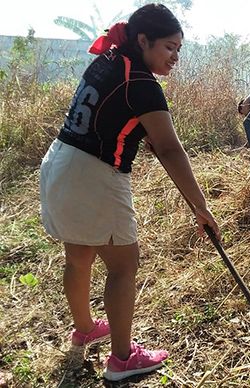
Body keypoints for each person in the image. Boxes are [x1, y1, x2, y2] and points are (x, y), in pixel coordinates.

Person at [39, 4, 221, 381]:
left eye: (179, 50)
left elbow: (113, 115)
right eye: (169, 47)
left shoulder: (108, 59)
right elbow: (170, 148)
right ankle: (122, 360)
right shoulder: (141, 82)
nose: (174, 57)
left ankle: (86, 328)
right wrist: (200, 207)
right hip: (95, 174)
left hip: (61, 160)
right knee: (123, 266)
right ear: (143, 40)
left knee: (78, 255)